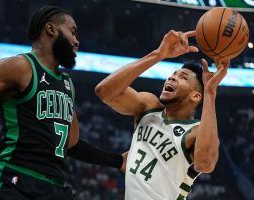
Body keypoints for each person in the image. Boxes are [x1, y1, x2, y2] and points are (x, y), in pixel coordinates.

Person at [0, 6, 126, 200]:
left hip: (55, 188)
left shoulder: (67, 83)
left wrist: (117, 161)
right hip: (16, 181)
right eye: (73, 32)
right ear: (51, 29)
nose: (77, 41)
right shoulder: (18, 66)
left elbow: (72, 144)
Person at [95, 30, 230, 200]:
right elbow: (104, 92)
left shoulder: (196, 131)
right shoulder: (148, 106)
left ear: (196, 96)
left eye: (183, 77)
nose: (171, 78)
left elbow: (206, 164)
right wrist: (158, 54)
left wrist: (210, 92)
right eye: (172, 75)